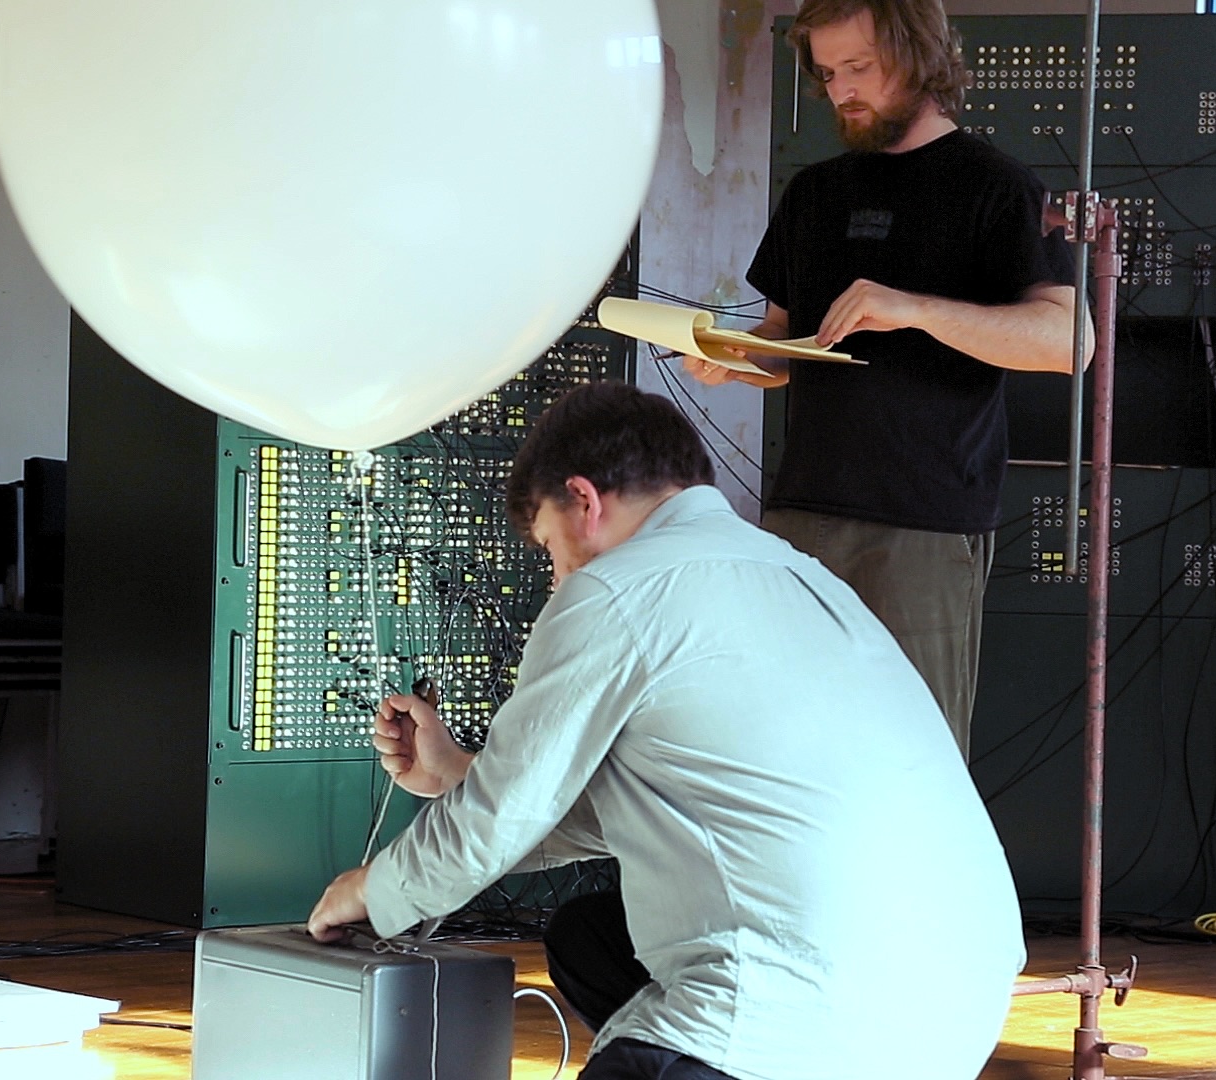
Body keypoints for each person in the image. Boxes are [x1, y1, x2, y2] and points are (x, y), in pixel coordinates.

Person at [308, 381, 1023, 1080]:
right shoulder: (801, 576)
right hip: (952, 1021)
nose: (556, 580)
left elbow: (497, 819)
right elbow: (686, 801)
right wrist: (459, 774)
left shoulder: (613, 588)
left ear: (584, 501)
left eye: (552, 548)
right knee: (589, 938)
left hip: (799, 1010)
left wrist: (373, 888)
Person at [687, 0, 1082, 759]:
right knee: (789, 754)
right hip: (802, 513)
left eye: (859, 68)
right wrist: (734, 357)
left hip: (923, 522)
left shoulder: (996, 185)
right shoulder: (814, 192)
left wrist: (914, 310)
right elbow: (785, 342)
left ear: (918, 53)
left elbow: (1070, 342)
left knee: (911, 758)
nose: (840, 91)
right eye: (828, 73)